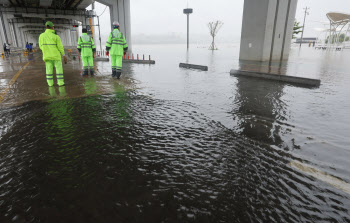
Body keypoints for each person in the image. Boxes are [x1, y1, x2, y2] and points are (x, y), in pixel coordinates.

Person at [39, 21, 67, 87]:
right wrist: (64, 55)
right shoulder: (56, 36)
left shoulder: (41, 36)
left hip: (47, 56)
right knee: (59, 69)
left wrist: (46, 51)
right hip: (56, 56)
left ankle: (50, 84)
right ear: (52, 27)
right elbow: (60, 47)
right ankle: (60, 83)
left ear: (46, 27)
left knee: (48, 70)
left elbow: (41, 46)